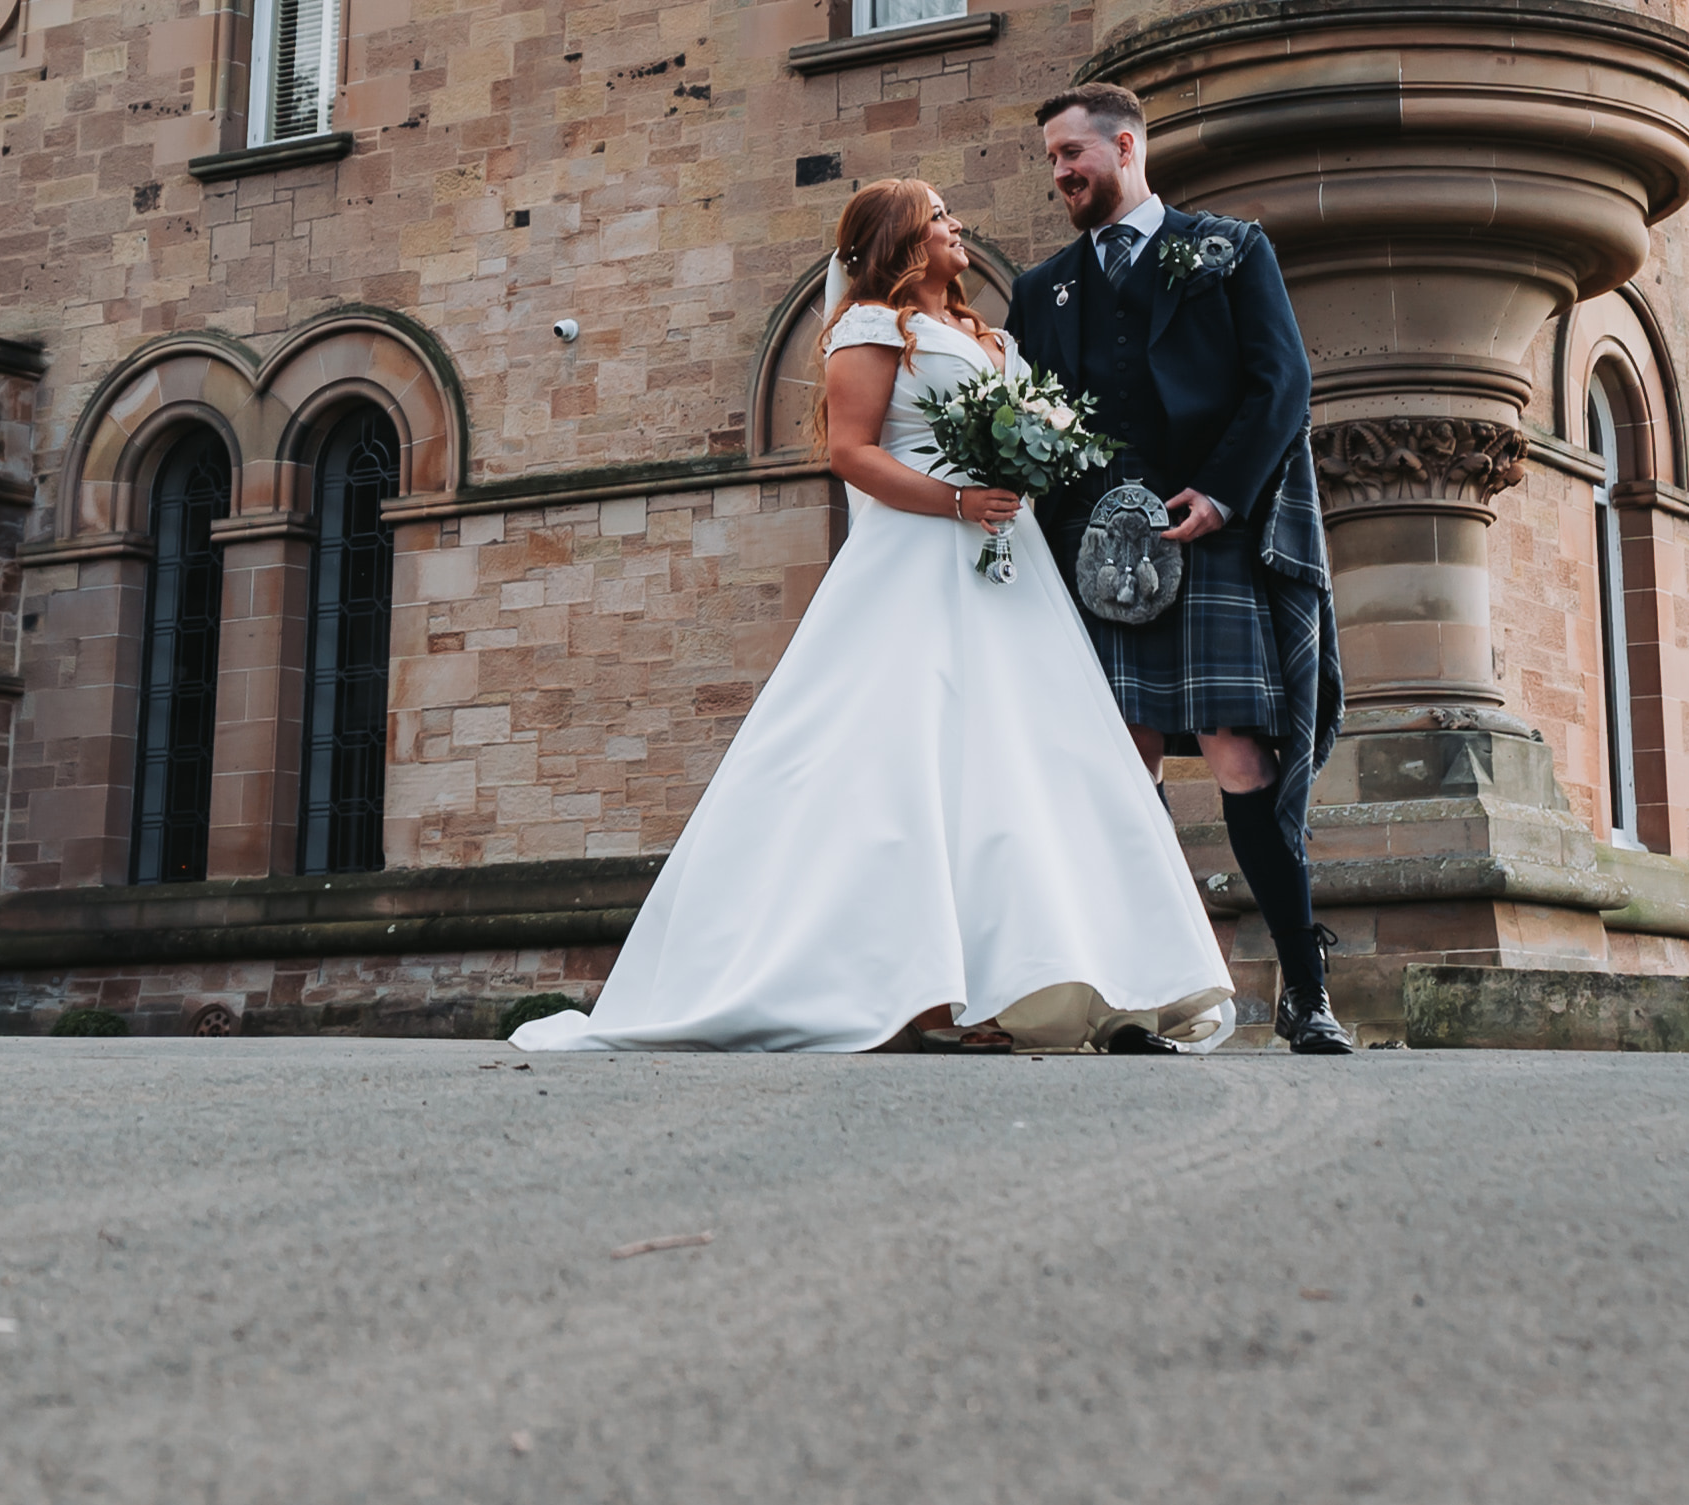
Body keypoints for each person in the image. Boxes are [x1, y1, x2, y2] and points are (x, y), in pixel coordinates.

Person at [514, 179, 1238, 1055]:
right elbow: (853, 453)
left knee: (1028, 755)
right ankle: (924, 995)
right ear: (902, 238)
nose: (956, 224)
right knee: (908, 756)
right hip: (920, 554)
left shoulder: (988, 335)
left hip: (1009, 561)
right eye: (938, 216)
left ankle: (1072, 979)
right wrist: (956, 501)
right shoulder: (869, 327)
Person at [1002, 84, 1356, 1055]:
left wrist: (1222, 493)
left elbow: (1281, 381)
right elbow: (1029, 421)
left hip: (1209, 537)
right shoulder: (1040, 290)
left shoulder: (1228, 249)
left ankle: (1305, 991)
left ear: (1125, 146)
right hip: (1096, 557)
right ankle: (1140, 995)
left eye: (1071, 153)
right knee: (1127, 764)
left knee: (1241, 757)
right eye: (1050, 159)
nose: (1060, 172)